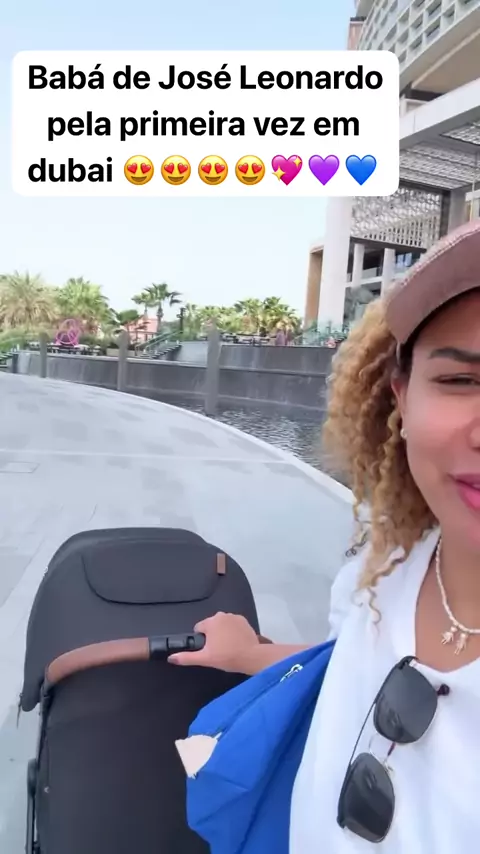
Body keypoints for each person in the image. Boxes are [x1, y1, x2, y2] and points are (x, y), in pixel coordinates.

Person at [169, 219, 480, 851]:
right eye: (460, 381)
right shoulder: (385, 567)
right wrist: (251, 652)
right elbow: (348, 663)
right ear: (401, 398)